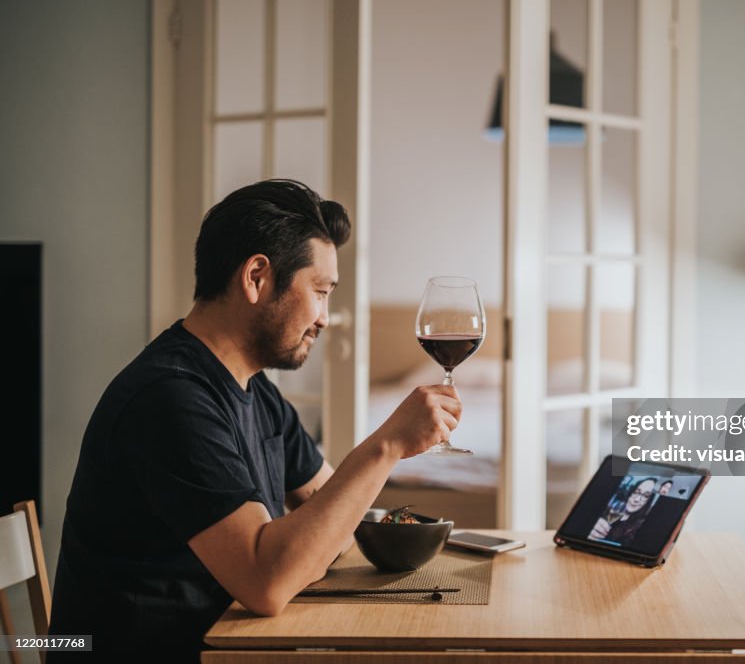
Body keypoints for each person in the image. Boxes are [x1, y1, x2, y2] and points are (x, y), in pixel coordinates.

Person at [47, 180, 462, 661]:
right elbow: (267, 584)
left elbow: (338, 525)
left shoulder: (255, 391)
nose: (325, 318)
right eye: (321, 292)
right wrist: (386, 445)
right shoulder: (169, 398)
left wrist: (301, 546)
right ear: (257, 277)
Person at [587, 477, 657, 544]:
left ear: (648, 502)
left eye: (646, 496)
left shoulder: (639, 527)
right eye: (636, 492)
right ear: (631, 492)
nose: (637, 499)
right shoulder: (607, 509)